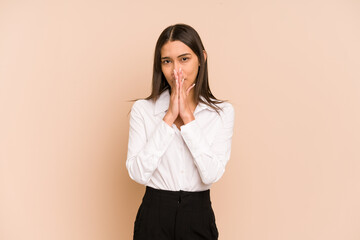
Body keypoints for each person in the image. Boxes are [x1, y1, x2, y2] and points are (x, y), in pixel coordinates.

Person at [126, 23, 235, 240]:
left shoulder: (222, 113)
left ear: (201, 58)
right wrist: (168, 118)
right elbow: (137, 173)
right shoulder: (143, 110)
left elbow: (212, 173)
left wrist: (187, 118)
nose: (176, 70)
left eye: (184, 59)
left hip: (198, 214)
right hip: (154, 214)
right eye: (167, 61)